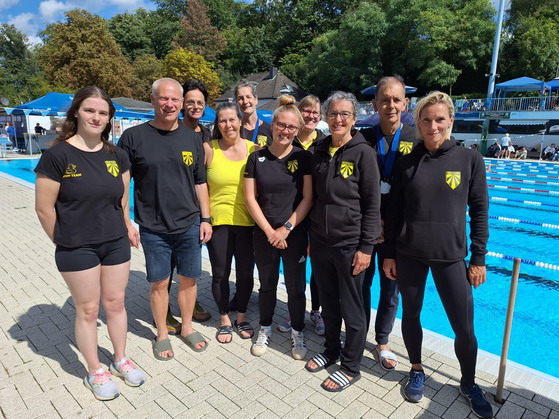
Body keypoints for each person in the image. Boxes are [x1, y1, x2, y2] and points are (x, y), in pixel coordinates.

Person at [383, 91, 492, 419]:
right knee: (412, 315)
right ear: (417, 122)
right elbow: (394, 214)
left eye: (439, 119)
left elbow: (481, 210)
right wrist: (389, 255)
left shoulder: (469, 159)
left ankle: (469, 382)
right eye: (426, 119)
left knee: (464, 327)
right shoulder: (406, 163)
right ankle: (416, 369)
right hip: (410, 254)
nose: (433, 126)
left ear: (451, 120)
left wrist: (478, 257)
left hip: (450, 257)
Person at [34, 86, 145, 401]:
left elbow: (123, 199)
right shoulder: (57, 155)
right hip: (76, 247)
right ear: (76, 113)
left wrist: (127, 225)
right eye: (90, 110)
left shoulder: (117, 155)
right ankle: (95, 369)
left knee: (116, 303)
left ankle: (120, 357)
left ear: (109, 118)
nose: (96, 117)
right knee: (87, 309)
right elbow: (44, 208)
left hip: (115, 243)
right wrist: (64, 240)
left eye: (102, 112)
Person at [118, 78, 212, 361]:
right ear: (152, 99)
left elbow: (200, 183)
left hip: (189, 223)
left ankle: (186, 327)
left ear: (181, 103)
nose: (169, 104)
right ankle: (161, 333)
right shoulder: (133, 138)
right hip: (153, 226)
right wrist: (125, 220)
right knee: (160, 282)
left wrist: (206, 218)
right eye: (163, 99)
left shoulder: (193, 138)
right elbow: (123, 183)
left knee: (189, 280)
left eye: (175, 100)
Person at [306, 91, 381, 393]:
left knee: (353, 309)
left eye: (344, 114)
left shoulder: (364, 153)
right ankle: (331, 350)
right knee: (329, 304)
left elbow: (373, 204)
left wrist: (366, 248)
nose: (338, 119)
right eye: (333, 113)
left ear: (354, 118)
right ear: (326, 116)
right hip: (322, 242)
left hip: (351, 244)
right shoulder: (320, 150)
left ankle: (351, 366)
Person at [244, 95, 313, 360]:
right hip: (264, 234)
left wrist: (285, 229)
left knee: (296, 287)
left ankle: (298, 332)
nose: (285, 131)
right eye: (281, 125)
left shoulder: (303, 157)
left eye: (291, 127)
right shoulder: (256, 158)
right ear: (272, 126)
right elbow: (250, 198)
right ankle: (265, 328)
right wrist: (270, 232)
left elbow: (308, 197)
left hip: (293, 234)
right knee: (267, 285)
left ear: (297, 130)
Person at [360, 76, 420, 371]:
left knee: (390, 290)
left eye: (397, 99)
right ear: (375, 103)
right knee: (360, 284)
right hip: (365, 228)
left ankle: (382, 342)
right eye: (385, 99)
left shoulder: (416, 139)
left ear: (405, 103)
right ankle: (358, 336)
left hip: (397, 232)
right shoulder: (363, 138)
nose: (391, 105)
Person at [204, 102, 256, 343]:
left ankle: (241, 316)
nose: (228, 125)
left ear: (239, 121)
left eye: (231, 119)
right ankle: (224, 317)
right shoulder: (209, 149)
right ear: (218, 124)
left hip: (247, 223)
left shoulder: (254, 149)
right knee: (220, 274)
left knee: (245, 274)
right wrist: (204, 219)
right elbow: (199, 186)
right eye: (222, 121)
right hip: (218, 222)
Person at [277, 94, 326, 336]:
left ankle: (316, 311)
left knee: (317, 269)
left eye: (315, 112)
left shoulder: (326, 143)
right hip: (292, 215)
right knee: (294, 270)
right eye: (306, 110)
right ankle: (293, 310)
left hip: (318, 215)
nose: (311, 115)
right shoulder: (287, 139)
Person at [235, 80, 273, 148]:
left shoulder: (270, 130)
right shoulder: (234, 130)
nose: (245, 101)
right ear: (236, 103)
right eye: (240, 98)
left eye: (248, 97)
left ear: (256, 99)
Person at [182, 79, 212, 143]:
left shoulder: (208, 136)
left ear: (205, 105)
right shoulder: (173, 131)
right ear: (182, 104)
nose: (196, 107)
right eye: (190, 102)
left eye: (199, 103)